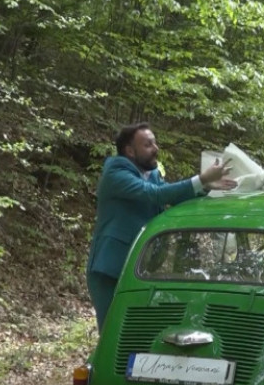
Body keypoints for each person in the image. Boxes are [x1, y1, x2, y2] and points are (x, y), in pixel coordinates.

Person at [86, 123, 236, 330]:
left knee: (138, 331)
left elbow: (170, 196)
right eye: (148, 145)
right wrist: (201, 179)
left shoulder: (152, 175)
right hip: (110, 268)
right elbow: (153, 194)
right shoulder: (116, 174)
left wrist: (205, 187)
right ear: (130, 151)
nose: (156, 148)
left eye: (155, 142)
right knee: (113, 331)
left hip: (141, 268)